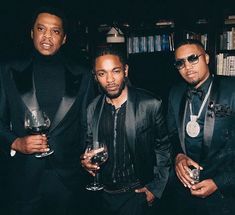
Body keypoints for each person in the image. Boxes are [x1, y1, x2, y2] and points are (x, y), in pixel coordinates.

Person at [0, 6, 94, 215]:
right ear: (32, 33)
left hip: (68, 178)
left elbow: (88, 125)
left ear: (64, 38)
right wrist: (16, 142)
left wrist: (88, 156)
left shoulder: (83, 75)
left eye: (55, 31)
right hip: (22, 177)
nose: (47, 36)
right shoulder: (8, 71)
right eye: (41, 29)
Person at [81, 45, 171, 215]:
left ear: (126, 70)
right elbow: (89, 144)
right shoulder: (93, 108)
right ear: (95, 77)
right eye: (102, 73)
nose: (110, 80)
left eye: (115, 71)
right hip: (102, 194)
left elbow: (163, 147)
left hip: (136, 194)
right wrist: (85, 161)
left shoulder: (150, 104)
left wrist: (156, 187)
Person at [167, 39, 235, 215]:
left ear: (206, 58)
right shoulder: (175, 92)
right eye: (180, 63)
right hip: (183, 194)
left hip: (223, 197)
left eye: (193, 58)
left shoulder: (232, 89)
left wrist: (219, 182)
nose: (187, 66)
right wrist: (178, 156)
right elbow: (171, 135)